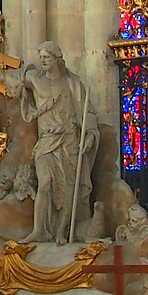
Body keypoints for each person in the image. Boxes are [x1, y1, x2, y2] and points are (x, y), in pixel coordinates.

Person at [17, 42, 94, 245]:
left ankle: (62, 231)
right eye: (41, 56)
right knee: (44, 183)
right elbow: (9, 79)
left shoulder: (72, 83)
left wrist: (90, 135)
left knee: (69, 188)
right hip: (46, 140)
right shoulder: (34, 79)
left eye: (47, 57)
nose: (42, 60)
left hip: (68, 140)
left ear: (57, 59)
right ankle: (38, 230)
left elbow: (88, 113)